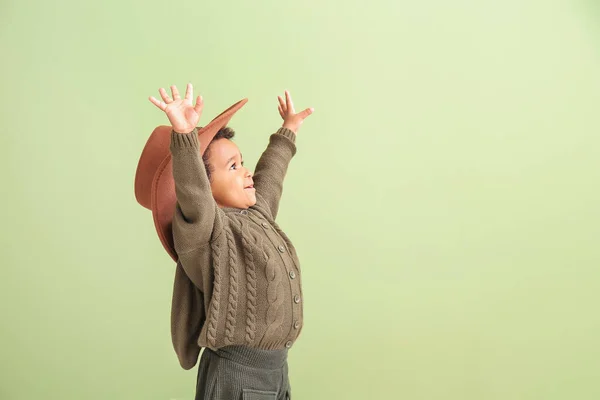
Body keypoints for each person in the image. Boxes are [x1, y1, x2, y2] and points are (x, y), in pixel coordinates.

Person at [148, 83, 314, 400]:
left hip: (275, 372)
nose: (246, 172)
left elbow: (271, 176)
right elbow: (194, 194)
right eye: (233, 167)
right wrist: (184, 136)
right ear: (205, 185)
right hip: (239, 378)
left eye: (242, 162)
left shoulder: (256, 214)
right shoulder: (207, 231)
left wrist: (287, 130)